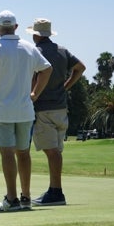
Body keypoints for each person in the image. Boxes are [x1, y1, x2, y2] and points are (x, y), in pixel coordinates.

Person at [0, 10, 53, 211]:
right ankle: (25, 197)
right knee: (23, 153)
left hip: (1, 111)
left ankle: (12, 199)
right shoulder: (28, 48)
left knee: (7, 153)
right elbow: (47, 69)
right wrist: (35, 93)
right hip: (25, 110)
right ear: (15, 27)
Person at [26, 18, 86, 206]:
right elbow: (80, 68)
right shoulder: (62, 51)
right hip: (61, 108)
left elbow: (32, 78)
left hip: (44, 109)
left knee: (52, 151)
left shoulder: (35, 52)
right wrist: (65, 87)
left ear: (36, 35)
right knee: (55, 150)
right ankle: (54, 190)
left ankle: (56, 192)